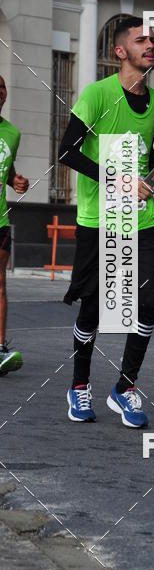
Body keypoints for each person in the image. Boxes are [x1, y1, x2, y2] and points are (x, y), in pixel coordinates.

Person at [59, 16, 154, 427]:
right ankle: (78, 385)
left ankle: (125, 388)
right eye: (141, 40)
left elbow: (148, 150)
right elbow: (67, 151)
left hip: (141, 219)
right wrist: (120, 180)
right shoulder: (96, 94)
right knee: (93, 307)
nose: (151, 45)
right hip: (98, 217)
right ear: (119, 52)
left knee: (147, 302)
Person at [0, 76, 28, 376]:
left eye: (2, 86)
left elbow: (6, 170)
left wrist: (16, 180)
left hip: (0, 220)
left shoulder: (12, 133)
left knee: (0, 286)